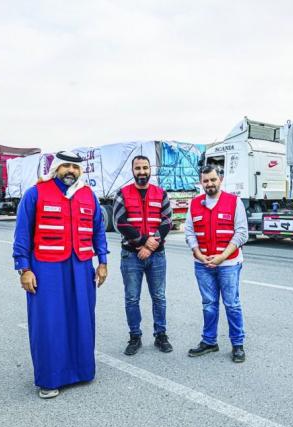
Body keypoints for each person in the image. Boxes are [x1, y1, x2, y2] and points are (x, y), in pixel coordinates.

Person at [13, 151, 108, 399]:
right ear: (56, 167)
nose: (70, 171)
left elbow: (98, 230)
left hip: (81, 267)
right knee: (49, 323)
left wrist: (103, 262)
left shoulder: (88, 195)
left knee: (82, 319)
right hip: (46, 268)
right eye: (65, 165)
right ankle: (50, 379)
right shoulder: (36, 193)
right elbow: (22, 233)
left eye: (75, 167)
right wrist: (24, 269)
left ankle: (82, 372)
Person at [184, 165, 248, 363]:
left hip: (228, 263)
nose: (209, 184)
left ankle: (237, 345)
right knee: (209, 304)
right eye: (205, 181)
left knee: (232, 304)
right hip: (202, 264)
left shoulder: (234, 202)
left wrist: (222, 256)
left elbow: (241, 233)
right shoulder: (194, 204)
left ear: (220, 179)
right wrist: (198, 253)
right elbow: (189, 232)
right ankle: (210, 341)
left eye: (213, 180)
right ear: (201, 182)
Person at [113, 155, 173, 356]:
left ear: (150, 169)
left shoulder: (160, 193)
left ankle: (161, 335)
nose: (142, 172)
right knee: (132, 298)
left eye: (145, 168)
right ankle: (135, 336)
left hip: (156, 255)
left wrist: (151, 245)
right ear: (132, 170)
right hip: (131, 256)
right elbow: (120, 222)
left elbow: (167, 221)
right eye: (138, 168)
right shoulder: (122, 193)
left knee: (159, 297)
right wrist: (142, 242)